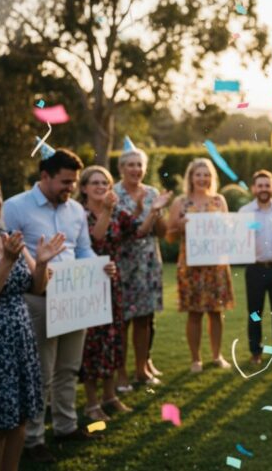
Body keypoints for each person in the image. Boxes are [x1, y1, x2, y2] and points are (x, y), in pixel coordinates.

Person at [3, 149, 116, 462]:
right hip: (37, 299)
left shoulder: (76, 210)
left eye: (73, 182)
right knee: (41, 371)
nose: (70, 187)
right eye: (65, 182)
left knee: (68, 368)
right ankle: (33, 439)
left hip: (75, 296)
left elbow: (83, 249)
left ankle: (66, 426)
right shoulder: (15, 207)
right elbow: (6, 252)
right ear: (45, 177)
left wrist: (99, 266)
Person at [77, 166, 164, 420]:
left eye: (105, 182)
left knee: (112, 338)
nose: (101, 187)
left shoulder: (117, 212)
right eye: (95, 182)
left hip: (113, 283)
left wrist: (155, 210)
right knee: (92, 342)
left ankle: (110, 396)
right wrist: (106, 210)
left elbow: (139, 231)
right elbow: (95, 242)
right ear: (83, 188)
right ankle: (92, 403)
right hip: (87, 284)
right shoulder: (78, 214)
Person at [0, 174, 64, 471]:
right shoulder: (9, 247)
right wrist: (8, 261)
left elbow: (36, 287)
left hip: (19, 336)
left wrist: (43, 261)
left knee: (20, 417)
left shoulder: (7, 234)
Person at [166, 158, 235, 372]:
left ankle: (217, 355)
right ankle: (196, 359)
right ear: (191, 177)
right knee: (194, 313)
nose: (202, 178)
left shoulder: (219, 201)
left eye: (206, 175)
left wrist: (226, 226)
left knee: (216, 312)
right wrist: (179, 225)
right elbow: (169, 236)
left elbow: (230, 231)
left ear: (211, 178)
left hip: (216, 265)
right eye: (198, 174)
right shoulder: (181, 202)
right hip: (191, 265)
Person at [113, 144, 170, 392]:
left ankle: (141, 369)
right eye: (130, 164)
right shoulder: (113, 194)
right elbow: (130, 233)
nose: (136, 169)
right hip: (123, 264)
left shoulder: (152, 192)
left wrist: (159, 212)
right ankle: (121, 374)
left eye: (139, 165)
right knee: (123, 320)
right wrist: (152, 213)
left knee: (145, 319)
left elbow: (163, 232)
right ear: (121, 168)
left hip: (148, 263)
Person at [238, 170, 272, 364]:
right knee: (255, 312)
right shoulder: (244, 213)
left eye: (267, 185)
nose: (263, 189)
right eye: (260, 185)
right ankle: (256, 352)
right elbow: (237, 242)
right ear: (254, 188)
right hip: (255, 269)